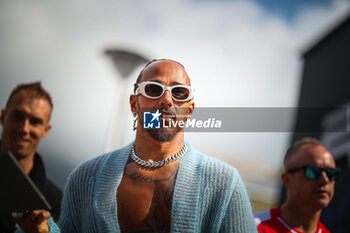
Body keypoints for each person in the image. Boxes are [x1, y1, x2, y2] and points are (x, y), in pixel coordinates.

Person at [15, 59, 257, 233]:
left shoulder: (225, 184)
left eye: (180, 92)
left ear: (189, 110)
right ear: (134, 104)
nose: (167, 99)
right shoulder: (86, 178)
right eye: (154, 89)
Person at [0, 82, 63, 233]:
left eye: (35, 122)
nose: (24, 129)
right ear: (3, 117)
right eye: (17, 116)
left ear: (46, 130)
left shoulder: (56, 203)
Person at [254, 138, 339, 233]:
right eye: (313, 171)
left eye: (331, 173)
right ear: (286, 179)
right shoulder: (253, 226)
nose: (324, 180)